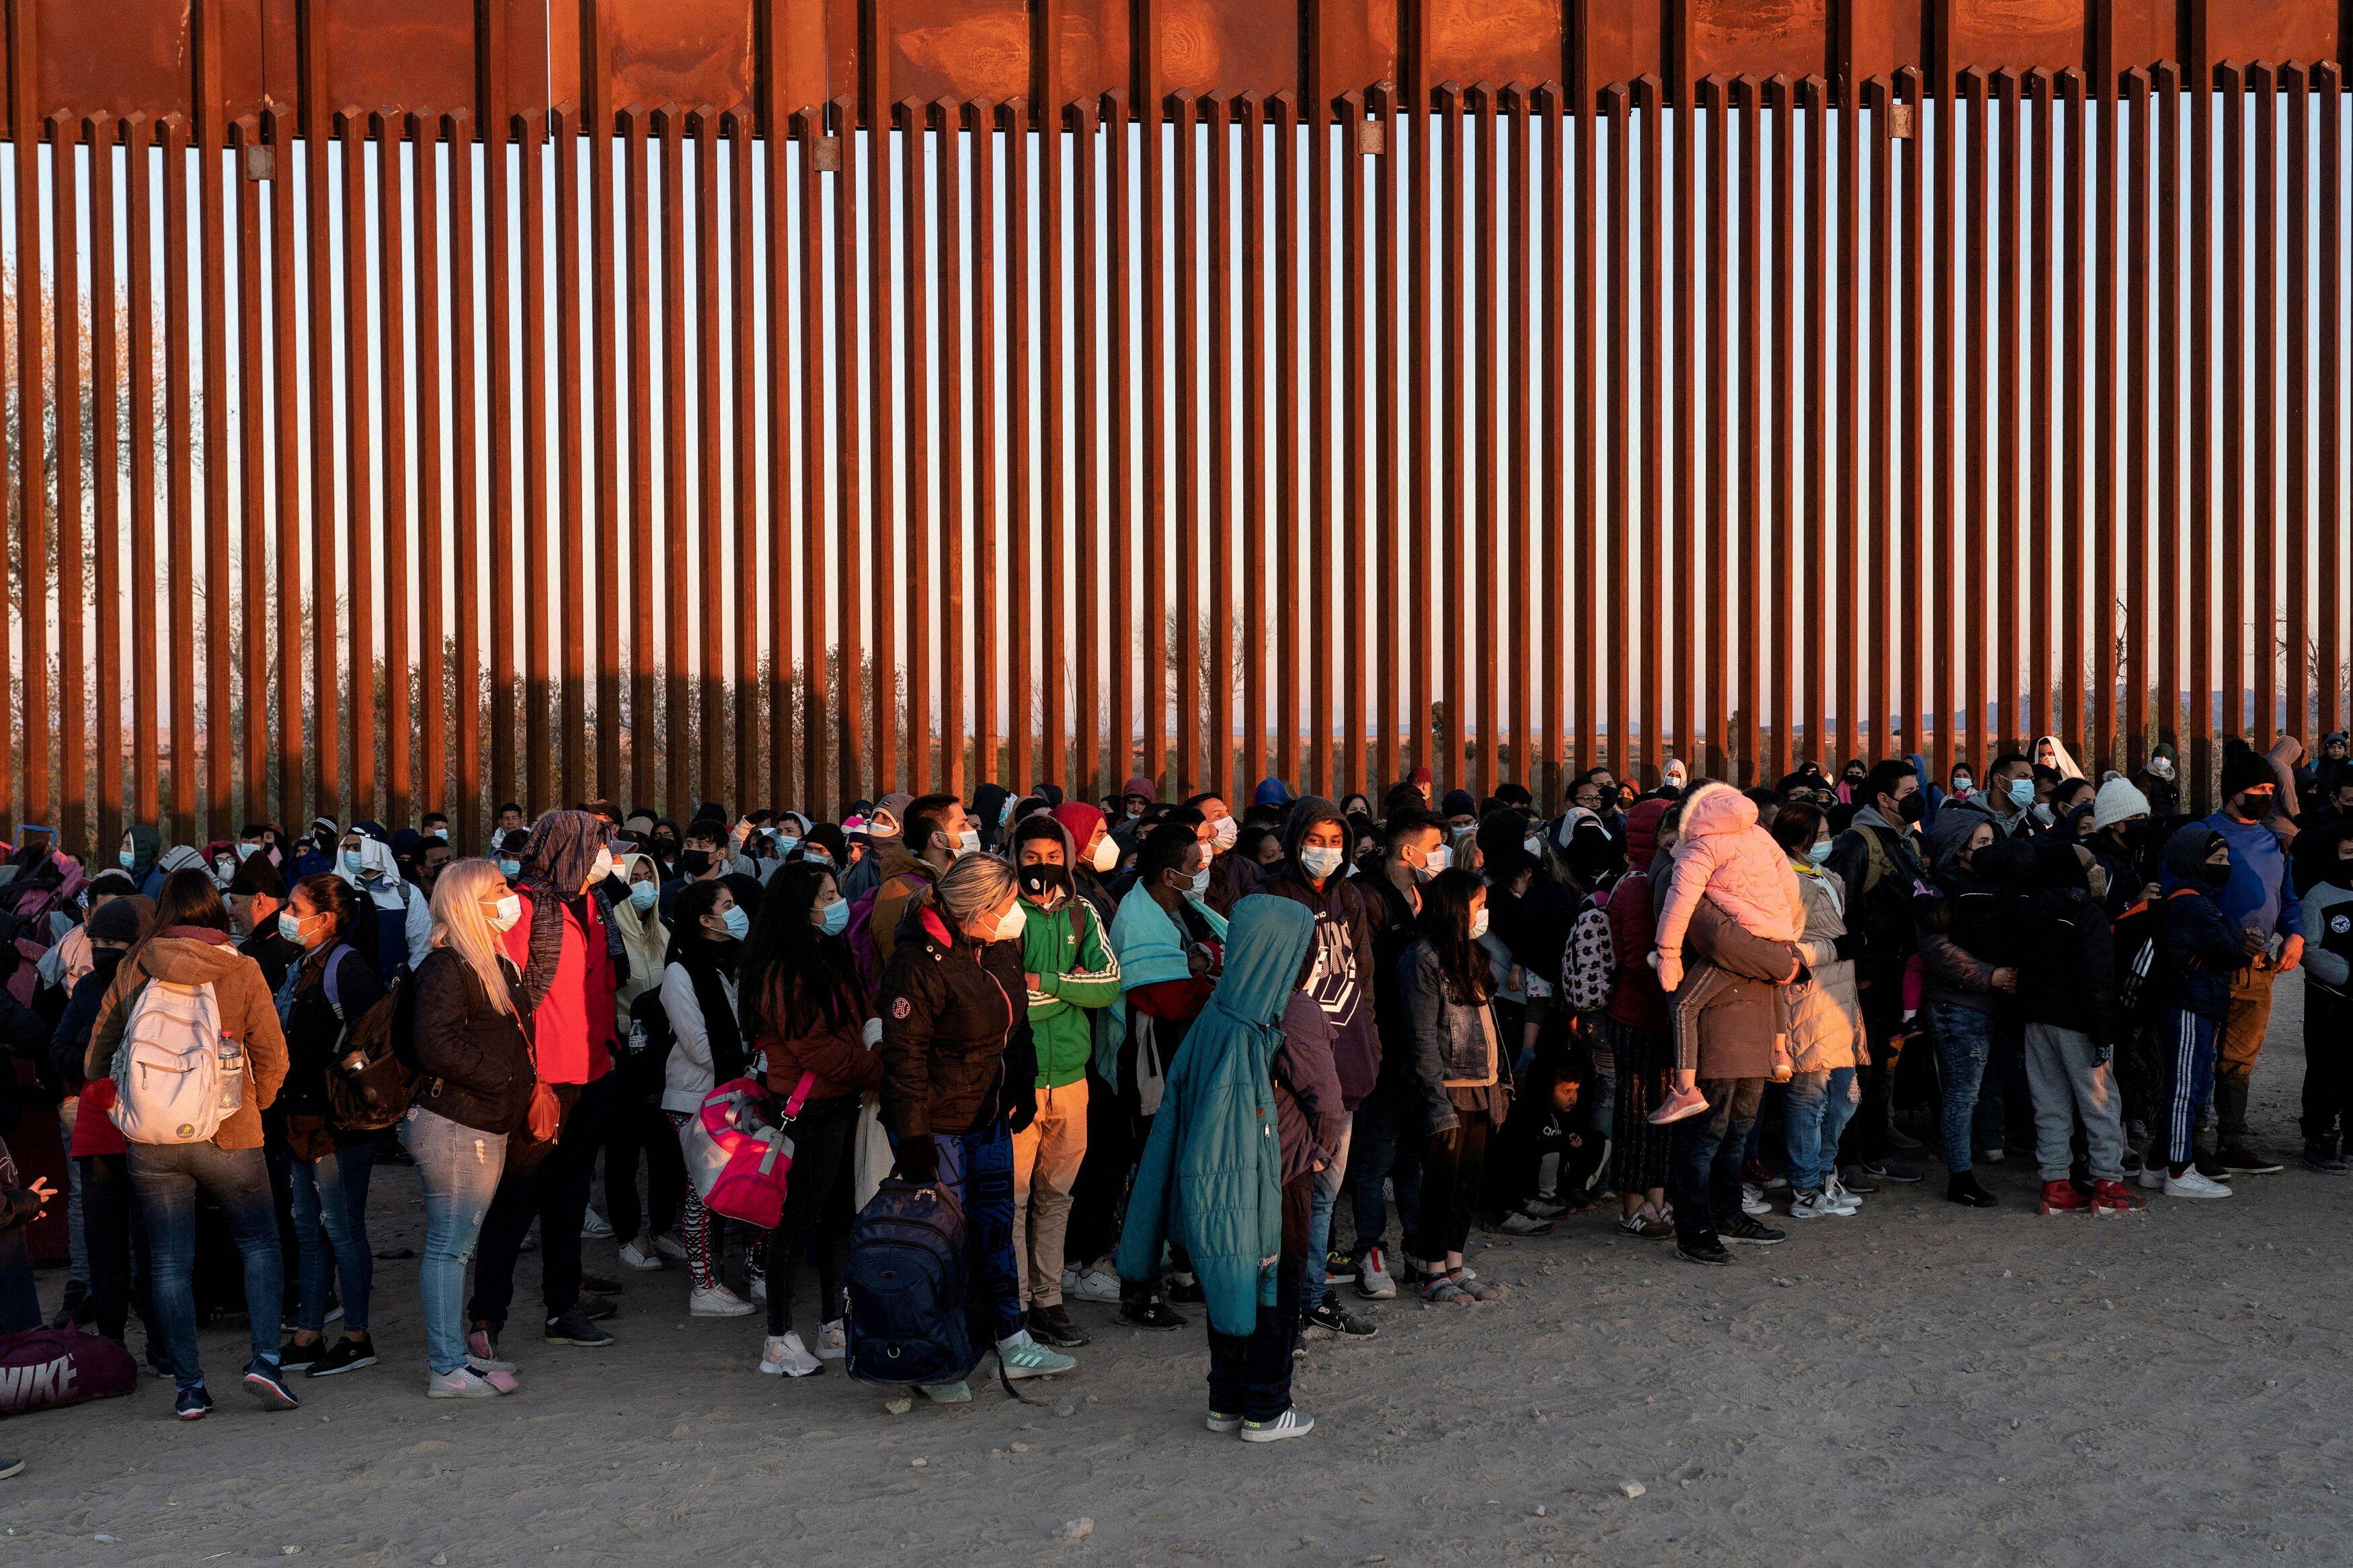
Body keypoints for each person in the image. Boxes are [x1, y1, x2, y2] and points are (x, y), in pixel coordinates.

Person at [84, 870, 294, 1417]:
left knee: (169, 1261)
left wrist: (122, 1103)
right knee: (259, 1244)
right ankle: (266, 1362)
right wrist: (256, 1104)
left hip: (153, 1138)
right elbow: (274, 1055)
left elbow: (94, 1057)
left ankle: (189, 1387)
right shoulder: (243, 967)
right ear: (215, 911)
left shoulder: (135, 964)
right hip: (230, 1131)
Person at [1113, 894, 1321, 1443]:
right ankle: (1267, 1408)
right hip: (1274, 1176)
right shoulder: (1282, 1014)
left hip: (1214, 1186)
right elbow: (1324, 1091)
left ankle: (1225, 1399)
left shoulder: (1218, 1011)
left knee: (1228, 1278)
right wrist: (1319, 1149)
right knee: (1275, 1286)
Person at [874, 852, 1072, 1401]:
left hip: (988, 1115)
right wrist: (914, 1142)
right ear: (978, 909)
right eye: (1008, 906)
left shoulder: (998, 946)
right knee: (943, 1243)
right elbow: (904, 1059)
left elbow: (1018, 1021)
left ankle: (1011, 1337)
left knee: (994, 1229)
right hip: (936, 1126)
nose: (1018, 915)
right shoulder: (918, 963)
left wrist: (1022, 1083)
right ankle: (936, 1356)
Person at [473, 811, 624, 1356]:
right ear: (571, 851)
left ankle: (564, 1307)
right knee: (515, 1202)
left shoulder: (593, 904)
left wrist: (608, 1049)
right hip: (541, 1082)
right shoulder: (523, 908)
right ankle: (486, 1320)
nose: (611, 857)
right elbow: (502, 995)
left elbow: (604, 984)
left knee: (569, 1197)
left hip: (591, 1073)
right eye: (600, 846)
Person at [1073, 823, 1227, 1326]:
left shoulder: (1173, 909)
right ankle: (1134, 1284)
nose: (1203, 872)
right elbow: (1158, 994)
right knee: (1147, 1172)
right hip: (1144, 1070)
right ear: (1169, 873)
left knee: (1169, 1166)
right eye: (1196, 864)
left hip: (1170, 1059)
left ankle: (1175, 1270)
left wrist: (1201, 965)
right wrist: (1209, 981)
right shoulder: (1140, 919)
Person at [405, 859, 546, 1398]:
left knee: (457, 1244)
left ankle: (455, 1356)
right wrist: (504, 1078)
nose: (510, 896)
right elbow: (434, 1043)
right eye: (500, 888)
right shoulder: (447, 966)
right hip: (456, 1124)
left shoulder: (493, 962)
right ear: (469, 900)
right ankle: (445, 1366)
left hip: (481, 1122)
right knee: (449, 1246)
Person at [738, 863, 879, 1376]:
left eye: (837, 890)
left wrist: (872, 1045)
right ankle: (778, 1336)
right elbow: (815, 1048)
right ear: (800, 906)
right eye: (827, 895)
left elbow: (858, 1016)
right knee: (793, 1225)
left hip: (839, 1103)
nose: (838, 901)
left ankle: (831, 1323)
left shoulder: (828, 956)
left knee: (838, 1218)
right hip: (805, 1110)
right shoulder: (783, 970)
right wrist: (878, 1064)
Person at [1255, 798, 1382, 1341]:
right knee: (1289, 1192)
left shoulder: (1349, 895)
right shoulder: (1271, 894)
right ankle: (1280, 1304)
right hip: (1290, 1070)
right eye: (1316, 839)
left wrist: (1369, 1045)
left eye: (1336, 842)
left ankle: (1310, 1297)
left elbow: (1364, 978)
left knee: (1327, 1190)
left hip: (1345, 1063)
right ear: (1294, 839)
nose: (1325, 852)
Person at [1006, 814, 1121, 1350]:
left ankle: (1049, 1301)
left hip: (1072, 1078)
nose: (1043, 867)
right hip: (1018, 1080)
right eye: (1032, 857)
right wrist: (1071, 989)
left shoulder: (1082, 911)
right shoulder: (1003, 914)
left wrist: (1048, 982)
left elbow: (1110, 983)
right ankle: (1018, 1303)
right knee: (1014, 1199)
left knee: (1056, 1197)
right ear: (1016, 858)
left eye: (1053, 857)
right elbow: (1005, 999)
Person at [271, 874, 383, 1377]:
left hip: (339, 1124)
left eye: (296, 908)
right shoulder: (302, 965)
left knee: (342, 1226)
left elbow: (369, 1046)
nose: (286, 915)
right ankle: (309, 1334)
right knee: (309, 1227)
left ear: (328, 918)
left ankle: (357, 1336)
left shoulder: (348, 968)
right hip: (300, 1119)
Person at [1647, 782, 1808, 1120]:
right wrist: (1786, 931)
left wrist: (1668, 955)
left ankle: (1685, 1090)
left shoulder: (1699, 847)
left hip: (1740, 939)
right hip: (1776, 933)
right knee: (1777, 982)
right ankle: (1781, 1053)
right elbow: (1791, 884)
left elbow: (1679, 906)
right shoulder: (1760, 836)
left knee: (1684, 1007)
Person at [1662, 895, 1806, 1264]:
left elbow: (1782, 975)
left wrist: (1777, 1048)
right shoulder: (1703, 897)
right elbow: (1688, 999)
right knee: (1703, 1143)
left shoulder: (1757, 911)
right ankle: (1694, 1230)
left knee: (1735, 1140)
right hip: (1718, 1053)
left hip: (1753, 1051)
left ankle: (1726, 1215)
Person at [1342, 807, 1447, 1296]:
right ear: (1409, 851)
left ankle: (1417, 1247)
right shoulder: (1367, 897)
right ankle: (1370, 1251)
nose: (1440, 854)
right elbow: (1365, 976)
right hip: (1380, 1044)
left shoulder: (1424, 894)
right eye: (1434, 845)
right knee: (1374, 1157)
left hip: (1418, 1045)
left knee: (1413, 1157)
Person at [47, 895, 159, 1355]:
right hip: (99, 1132)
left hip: (149, 1130)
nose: (103, 950)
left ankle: (161, 1340)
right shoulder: (90, 989)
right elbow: (58, 1048)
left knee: (152, 1246)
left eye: (114, 942)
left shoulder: (158, 985)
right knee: (105, 1243)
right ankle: (112, 1342)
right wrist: (103, 1067)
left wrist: (102, 1063)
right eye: (97, 941)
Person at [1398, 869, 1512, 1303]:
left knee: (1468, 1181)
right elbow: (1422, 1037)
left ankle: (1454, 1263)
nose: (1483, 912)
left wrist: (1500, 1084)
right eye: (1478, 904)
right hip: (1445, 1087)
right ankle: (1431, 1272)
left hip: (1482, 1082)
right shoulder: (1423, 958)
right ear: (1454, 906)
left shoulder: (1472, 954)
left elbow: (1489, 1024)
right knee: (1440, 1183)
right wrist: (1435, 1100)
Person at [2013, 841, 2143, 1215]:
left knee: (2049, 1103)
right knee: (2100, 1102)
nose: (2096, 872)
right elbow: (2096, 977)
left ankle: (2055, 1186)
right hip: (2079, 1023)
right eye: (2090, 866)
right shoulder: (2087, 914)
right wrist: (2104, 1032)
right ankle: (2108, 1184)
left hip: (2037, 1022)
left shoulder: (2029, 909)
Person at [1822, 759, 1929, 1186]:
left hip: (1899, 975)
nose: (1917, 799)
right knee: (1855, 1070)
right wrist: (1860, 970)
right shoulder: (1857, 844)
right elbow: (1839, 914)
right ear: (1883, 800)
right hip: (1866, 978)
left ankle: (1876, 1152)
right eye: (1908, 793)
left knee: (1885, 1065)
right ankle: (1847, 1158)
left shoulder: (1907, 842)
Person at [2200, 747, 2303, 1175]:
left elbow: (2288, 897)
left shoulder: (2273, 841)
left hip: (2259, 969)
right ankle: (2187, 1142)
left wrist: (2295, 934)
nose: (2264, 795)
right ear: (2233, 791)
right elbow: (2185, 897)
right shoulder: (2202, 834)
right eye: (2256, 788)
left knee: (2241, 1058)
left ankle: (2232, 1141)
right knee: (2198, 1053)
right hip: (2207, 966)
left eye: (2269, 788)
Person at [655, 878, 756, 1317]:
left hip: (734, 1095)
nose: (736, 912)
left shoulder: (728, 964)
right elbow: (700, 1045)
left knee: (745, 1189)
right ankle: (704, 1285)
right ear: (705, 919)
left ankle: (752, 1272)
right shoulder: (681, 971)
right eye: (727, 905)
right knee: (702, 1193)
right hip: (695, 1099)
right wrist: (748, 1060)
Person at [1914, 810, 2022, 1207]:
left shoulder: (1999, 884)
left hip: (1995, 1003)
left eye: (1993, 842)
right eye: (1981, 844)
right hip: (1959, 1002)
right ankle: (1960, 1177)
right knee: (1962, 1094)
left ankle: (1988, 1150)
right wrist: (1988, 975)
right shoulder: (1939, 890)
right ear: (1958, 850)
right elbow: (1936, 949)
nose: (1990, 851)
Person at [2142, 825, 2251, 1198]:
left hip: (2194, 1000)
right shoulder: (2192, 903)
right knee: (2187, 1087)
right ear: (2194, 862)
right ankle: (2178, 1169)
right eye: (2216, 860)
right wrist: (2243, 945)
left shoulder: (2190, 899)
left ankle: (2157, 1164)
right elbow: (2229, 952)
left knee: (2186, 1083)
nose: (2224, 867)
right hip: (2190, 1002)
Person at [1771, 804, 1865, 1222]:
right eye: (1821, 834)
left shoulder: (1826, 878)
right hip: (1810, 1000)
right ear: (1798, 841)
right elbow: (1780, 950)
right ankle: (1807, 1185)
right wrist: (1833, 949)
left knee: (1844, 1097)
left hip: (1841, 1000)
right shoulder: (1785, 883)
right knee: (1809, 1099)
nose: (1829, 841)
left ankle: (1825, 1173)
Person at [1603, 800, 1677, 1237]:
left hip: (1659, 1018)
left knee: (1662, 1111)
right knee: (1634, 1113)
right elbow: (1634, 961)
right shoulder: (1635, 888)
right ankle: (1632, 1204)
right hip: (1636, 1017)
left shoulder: (1658, 881)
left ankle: (1657, 1197)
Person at [606, 850, 682, 1272]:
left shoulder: (664, 931)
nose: (642, 886)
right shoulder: (610, 933)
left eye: (647, 876)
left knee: (664, 1145)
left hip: (662, 1051)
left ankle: (663, 1228)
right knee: (623, 1148)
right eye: (632, 878)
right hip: (621, 1050)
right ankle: (628, 1234)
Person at [2295, 823, 2353, 1171]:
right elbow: (2310, 949)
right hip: (2331, 999)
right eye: (2348, 853)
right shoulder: (2318, 896)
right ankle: (2319, 1137)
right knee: (2325, 1068)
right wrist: (2346, 974)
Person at [866, 794, 971, 976]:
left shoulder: (958, 880)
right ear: (938, 839)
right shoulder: (899, 891)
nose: (970, 830)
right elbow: (901, 967)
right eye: (962, 825)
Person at [337, 831, 431, 981]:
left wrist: (404, 982)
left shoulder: (407, 893)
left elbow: (422, 945)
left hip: (393, 989)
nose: (349, 853)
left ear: (376, 849)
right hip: (345, 985)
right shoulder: (337, 891)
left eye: (356, 847)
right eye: (346, 848)